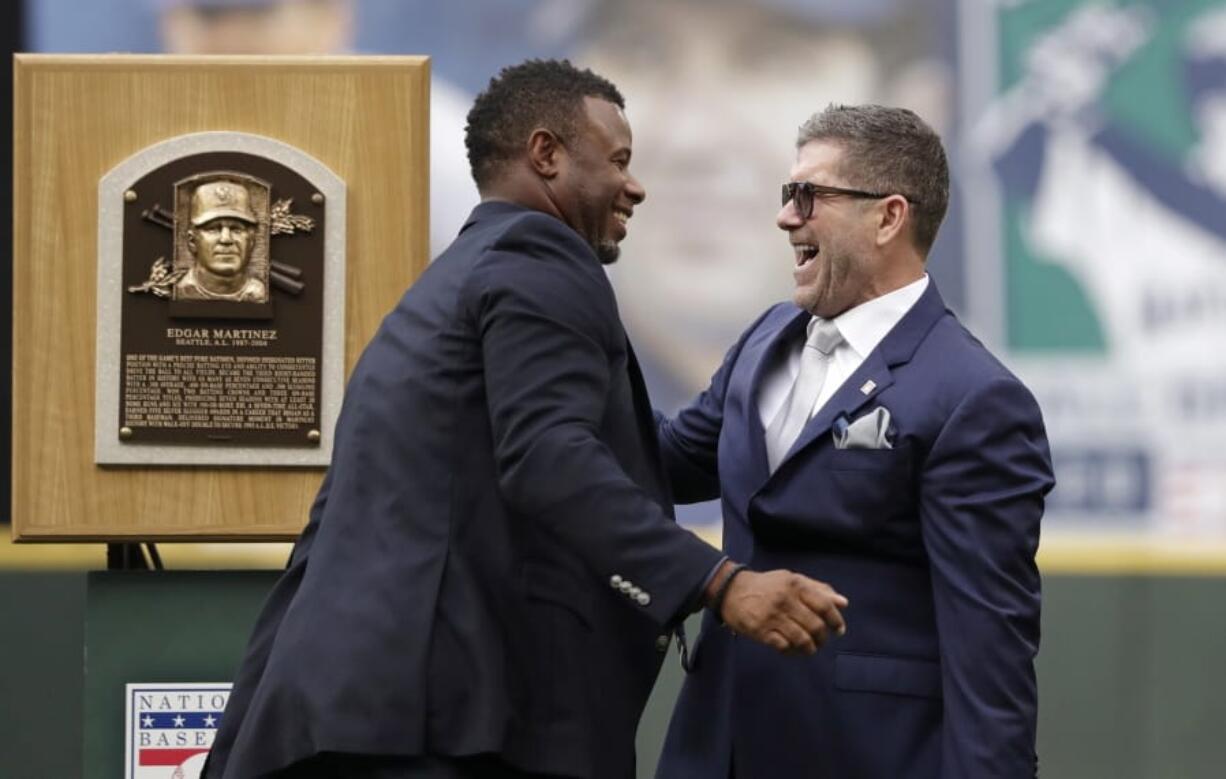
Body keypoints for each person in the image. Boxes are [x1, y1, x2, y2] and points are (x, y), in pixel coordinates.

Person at [203, 60, 849, 779]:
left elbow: (607, 452)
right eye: (619, 161)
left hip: (353, 717)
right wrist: (723, 583)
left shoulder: (455, 278)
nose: (635, 187)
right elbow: (550, 458)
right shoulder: (542, 259)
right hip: (440, 727)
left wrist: (768, 373)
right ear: (546, 155)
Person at [655, 104, 1055, 778]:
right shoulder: (763, 339)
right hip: (715, 747)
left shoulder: (975, 398)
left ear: (888, 216)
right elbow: (663, 461)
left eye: (808, 195)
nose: (787, 217)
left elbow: (990, 655)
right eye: (789, 195)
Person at [175, 178, 268, 302]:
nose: (226, 239)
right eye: (213, 229)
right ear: (192, 241)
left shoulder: (258, 293)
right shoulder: (182, 289)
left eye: (236, 229)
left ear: (251, 241)